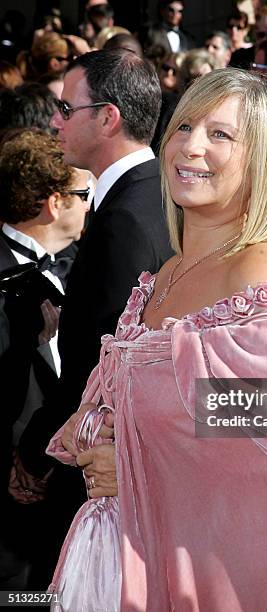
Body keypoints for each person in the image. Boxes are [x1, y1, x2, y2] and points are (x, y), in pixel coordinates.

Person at [46, 68, 267, 611]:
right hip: (125, 565)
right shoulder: (167, 274)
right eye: (184, 125)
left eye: (221, 134)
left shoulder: (260, 279)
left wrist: (139, 466)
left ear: (264, 158)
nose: (190, 146)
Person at [11, 49, 173, 587]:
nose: (54, 121)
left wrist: (35, 456)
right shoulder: (149, 195)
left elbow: (95, 366)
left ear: (108, 118)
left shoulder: (125, 218)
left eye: (65, 107)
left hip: (107, 474)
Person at [0, 129, 90, 589]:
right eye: (82, 195)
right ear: (55, 203)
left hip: (49, 477)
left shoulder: (72, 262)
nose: (89, 205)